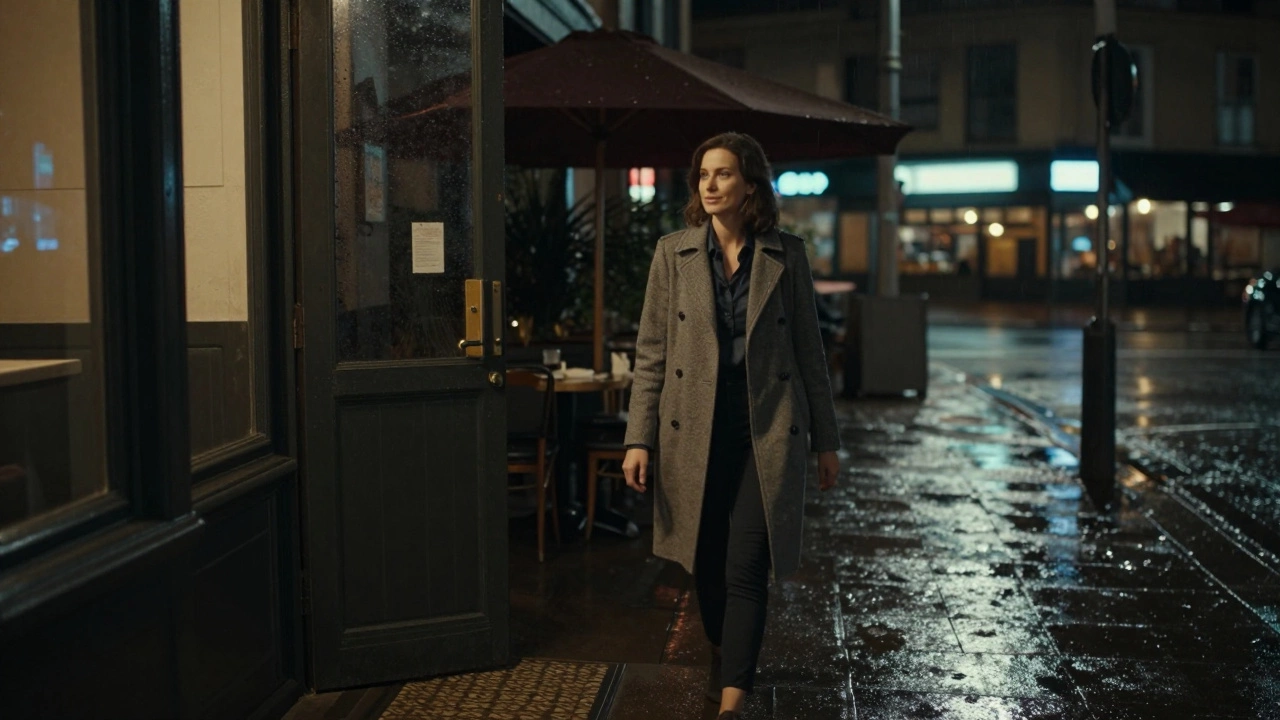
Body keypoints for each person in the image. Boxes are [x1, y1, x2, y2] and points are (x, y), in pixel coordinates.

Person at [621, 133, 840, 719]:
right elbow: (651, 353)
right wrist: (638, 438)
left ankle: (732, 702)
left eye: (723, 174)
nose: (710, 185)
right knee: (709, 566)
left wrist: (827, 441)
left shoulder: (786, 255)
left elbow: (809, 352)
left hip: (765, 431)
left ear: (749, 184)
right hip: (693, 432)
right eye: (703, 175)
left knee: (746, 565)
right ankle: (725, 650)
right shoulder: (673, 254)